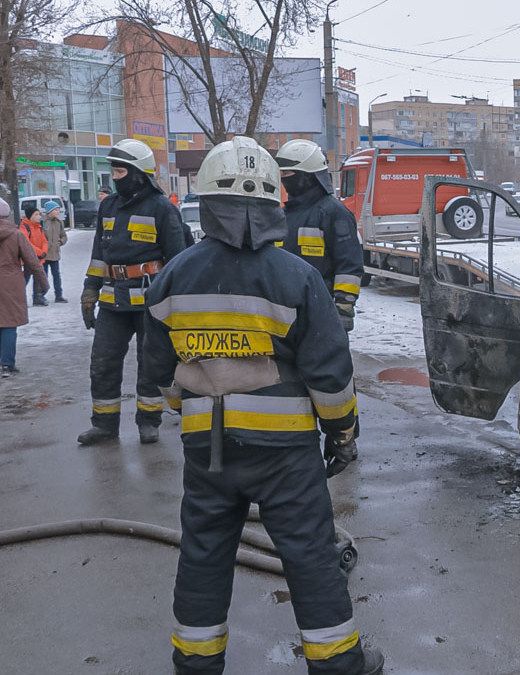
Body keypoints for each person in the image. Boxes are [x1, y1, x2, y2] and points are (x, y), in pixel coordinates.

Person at [141, 136, 383, 674]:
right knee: (310, 554)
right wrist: (342, 434)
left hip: (209, 452)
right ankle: (338, 662)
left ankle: (197, 662)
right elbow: (329, 371)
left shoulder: (174, 276)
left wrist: (192, 404)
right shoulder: (294, 276)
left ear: (206, 202)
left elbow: (159, 367)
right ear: (273, 205)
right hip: (286, 456)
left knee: (204, 554)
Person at [77, 138, 186, 446]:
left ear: (140, 173)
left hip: (150, 303)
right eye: (113, 170)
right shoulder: (108, 206)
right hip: (112, 303)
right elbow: (99, 255)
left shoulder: (163, 209)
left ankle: (148, 421)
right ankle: (104, 424)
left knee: (150, 363)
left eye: (120, 171)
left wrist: (173, 306)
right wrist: (89, 291)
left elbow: (177, 262)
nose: (114, 176)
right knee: (102, 362)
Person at [274, 139, 362, 331]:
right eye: (281, 174)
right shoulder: (283, 215)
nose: (283, 179)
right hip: (284, 311)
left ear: (307, 176)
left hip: (321, 311)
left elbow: (349, 266)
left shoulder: (334, 213)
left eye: (287, 173)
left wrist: (343, 309)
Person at [0, 200, 49, 376]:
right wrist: (44, 283)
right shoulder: (15, 234)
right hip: (10, 283)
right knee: (8, 324)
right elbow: (33, 262)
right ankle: (7, 364)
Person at [19, 205, 49, 306]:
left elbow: (45, 241)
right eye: (36, 214)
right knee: (24, 279)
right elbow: (26, 243)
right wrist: (40, 253)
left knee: (38, 279)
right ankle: (18, 298)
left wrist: (43, 252)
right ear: (30, 216)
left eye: (39, 214)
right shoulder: (24, 227)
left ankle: (38, 297)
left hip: (39, 258)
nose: (39, 216)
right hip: (29, 258)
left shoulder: (39, 227)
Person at [41, 199, 69, 303]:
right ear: (49, 211)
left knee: (56, 275)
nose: (58, 212)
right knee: (44, 276)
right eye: (56, 210)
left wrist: (60, 242)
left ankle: (59, 295)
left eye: (58, 210)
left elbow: (64, 236)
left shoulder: (59, 222)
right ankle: (41, 294)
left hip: (55, 254)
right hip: (44, 255)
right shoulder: (43, 222)